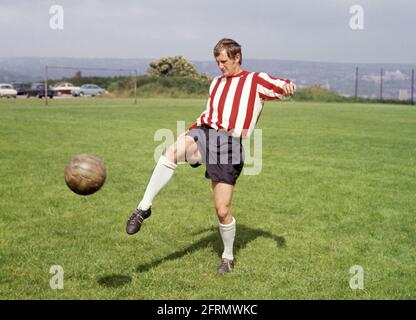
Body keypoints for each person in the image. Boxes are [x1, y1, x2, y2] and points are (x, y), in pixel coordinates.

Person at [126, 38, 296, 273]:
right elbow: (209, 112)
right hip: (205, 132)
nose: (220, 66)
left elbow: (282, 85)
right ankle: (143, 208)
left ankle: (227, 257)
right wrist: (191, 130)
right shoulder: (216, 83)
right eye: (217, 62)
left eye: (224, 61)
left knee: (222, 210)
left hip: (229, 146)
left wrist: (288, 87)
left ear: (237, 57)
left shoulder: (255, 81)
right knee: (171, 151)